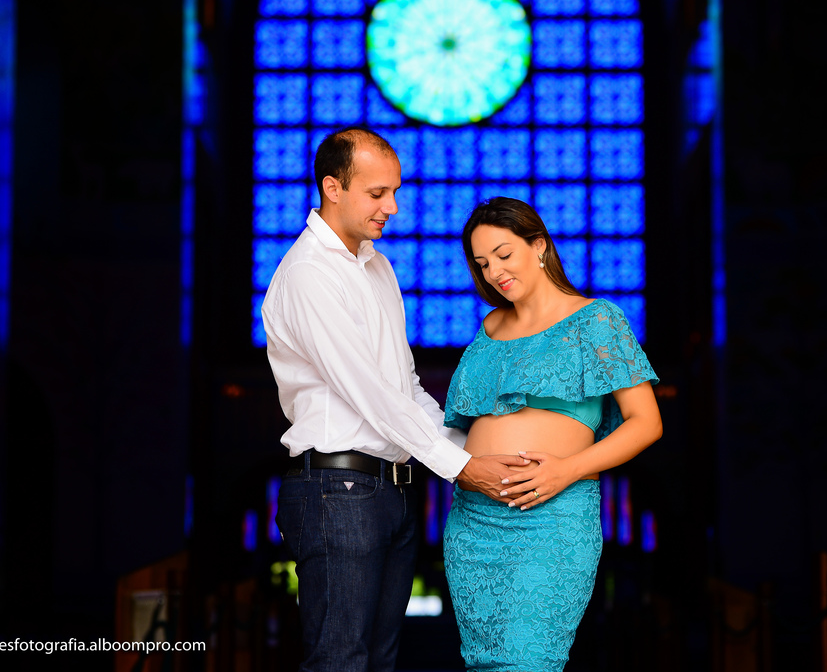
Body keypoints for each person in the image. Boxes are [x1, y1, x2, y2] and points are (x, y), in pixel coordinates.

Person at [261, 130, 533, 672]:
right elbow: (371, 395)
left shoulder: (377, 266)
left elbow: (404, 385)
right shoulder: (310, 274)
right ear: (332, 187)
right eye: (378, 193)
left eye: (396, 191)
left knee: (380, 662)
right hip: (336, 493)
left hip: (389, 491)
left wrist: (470, 450)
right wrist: (463, 468)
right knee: (340, 661)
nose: (394, 207)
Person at [442, 197, 664, 672]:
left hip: (552, 519)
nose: (494, 272)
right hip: (472, 524)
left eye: (504, 254)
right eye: (482, 264)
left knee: (528, 660)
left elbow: (647, 422)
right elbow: (456, 427)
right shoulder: (488, 328)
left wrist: (566, 471)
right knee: (483, 664)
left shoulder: (596, 320)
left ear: (538, 245)